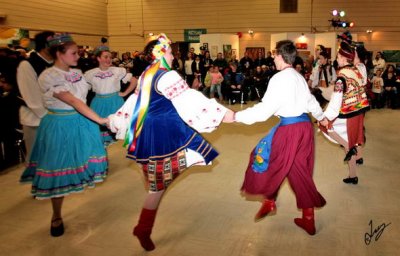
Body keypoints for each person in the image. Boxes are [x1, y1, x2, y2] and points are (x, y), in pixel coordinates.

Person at [107, 34, 233, 251]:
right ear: (161, 53)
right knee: (159, 186)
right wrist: (222, 113)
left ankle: (145, 222)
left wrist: (116, 119)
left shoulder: (148, 73)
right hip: (165, 131)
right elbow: (188, 100)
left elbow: (134, 102)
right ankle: (143, 228)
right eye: (171, 51)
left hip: (154, 129)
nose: (174, 56)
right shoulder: (166, 75)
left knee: (163, 179)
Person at [225, 40, 327, 236]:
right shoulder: (298, 77)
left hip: (290, 129)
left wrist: (237, 116)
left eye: (274, 55)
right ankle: (308, 219)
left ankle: (270, 201)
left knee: (264, 158)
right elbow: (311, 101)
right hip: (305, 128)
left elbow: (264, 110)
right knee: (298, 171)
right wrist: (321, 118)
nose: (272, 58)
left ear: (281, 56)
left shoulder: (279, 79)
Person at [20, 34, 109, 237]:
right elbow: (74, 101)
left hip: (81, 122)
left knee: (81, 163)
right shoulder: (49, 76)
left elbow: (88, 94)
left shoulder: (78, 72)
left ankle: (78, 184)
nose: (78, 56)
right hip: (60, 125)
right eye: (74, 53)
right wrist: (101, 120)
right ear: (59, 54)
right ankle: (56, 215)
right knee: (57, 167)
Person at [320, 41, 370, 185]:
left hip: (350, 112)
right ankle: (353, 163)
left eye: (338, 57)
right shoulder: (357, 70)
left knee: (324, 126)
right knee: (355, 138)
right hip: (359, 110)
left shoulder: (341, 77)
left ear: (343, 58)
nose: (336, 59)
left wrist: (324, 117)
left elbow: (335, 103)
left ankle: (349, 150)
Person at [84, 45, 137, 145]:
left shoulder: (117, 71)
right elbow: (83, 90)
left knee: (118, 127)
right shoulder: (90, 74)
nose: (109, 59)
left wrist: (125, 93)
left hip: (115, 102)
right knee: (99, 129)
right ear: (98, 58)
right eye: (105, 57)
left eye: (110, 57)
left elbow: (134, 81)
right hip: (98, 103)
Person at [17, 31, 54, 162]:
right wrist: (49, 118)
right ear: (45, 46)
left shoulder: (57, 64)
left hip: (57, 119)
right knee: (38, 161)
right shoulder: (28, 65)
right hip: (36, 120)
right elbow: (31, 97)